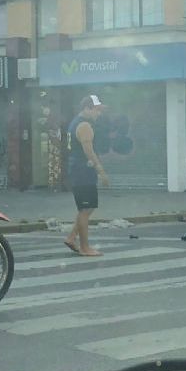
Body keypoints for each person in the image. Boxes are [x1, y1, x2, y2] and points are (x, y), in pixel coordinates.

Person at [64, 95, 110, 257]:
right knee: (85, 209)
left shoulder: (76, 122)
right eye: (97, 110)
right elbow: (89, 152)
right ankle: (85, 247)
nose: (99, 114)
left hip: (79, 171)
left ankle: (71, 237)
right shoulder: (84, 126)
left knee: (87, 208)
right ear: (87, 108)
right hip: (83, 172)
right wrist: (101, 171)